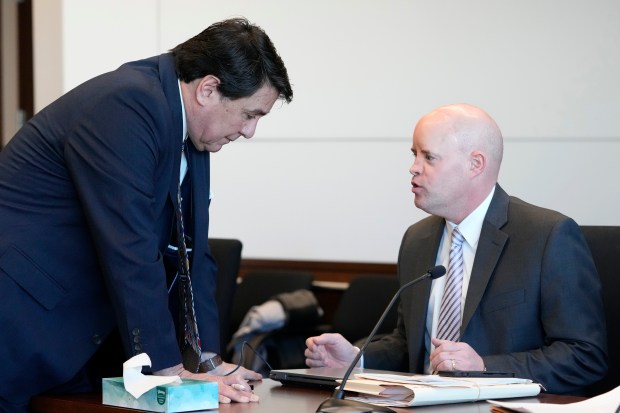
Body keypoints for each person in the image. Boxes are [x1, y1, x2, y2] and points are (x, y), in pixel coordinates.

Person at [0, 17, 292, 412]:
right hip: (20, 320)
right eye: (249, 114)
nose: (249, 131)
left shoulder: (192, 129)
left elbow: (193, 253)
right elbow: (130, 248)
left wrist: (209, 362)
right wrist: (170, 370)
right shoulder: (127, 104)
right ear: (208, 89)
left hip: (74, 333)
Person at [305, 103, 607, 395]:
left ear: (475, 164)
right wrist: (357, 359)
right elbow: (409, 344)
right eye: (414, 154)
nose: (413, 168)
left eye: (429, 157)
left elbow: (584, 356)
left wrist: (484, 367)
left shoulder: (546, 236)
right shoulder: (417, 240)